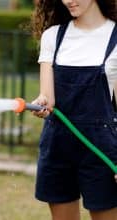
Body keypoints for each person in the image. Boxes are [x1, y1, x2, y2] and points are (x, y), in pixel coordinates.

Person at [30, 0, 117, 219]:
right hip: (57, 147)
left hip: (101, 149)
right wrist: (42, 103)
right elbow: (47, 97)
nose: (68, 0)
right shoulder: (52, 37)